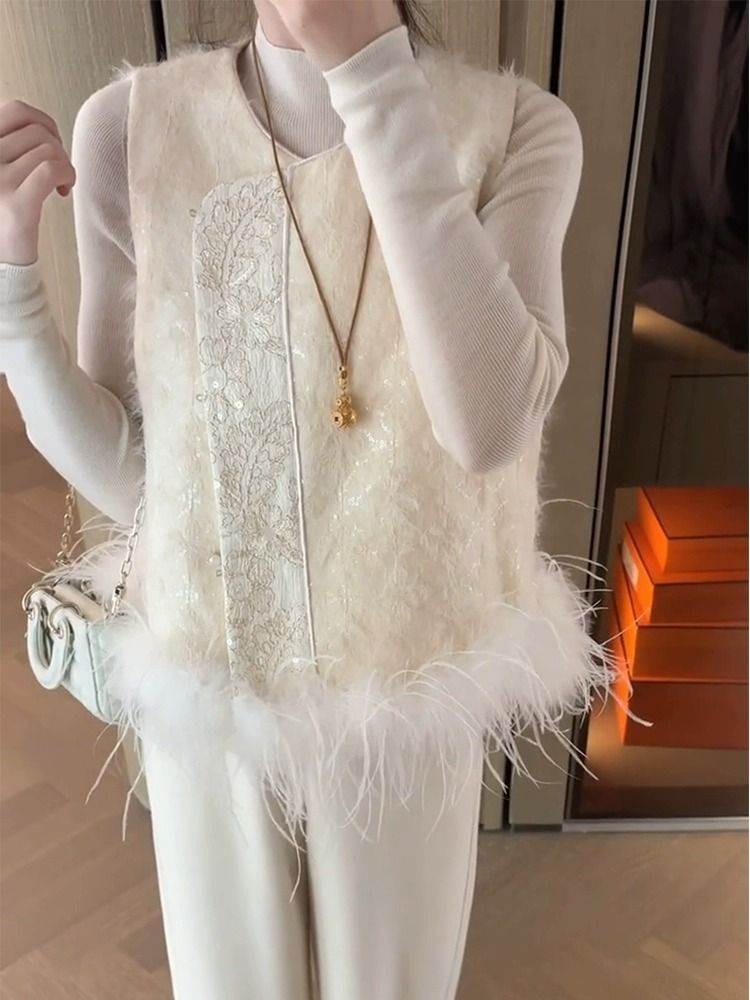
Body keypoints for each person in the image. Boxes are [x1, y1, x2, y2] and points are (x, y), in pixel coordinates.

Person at [0, 2, 636, 997]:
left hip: (407, 684)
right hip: (209, 672)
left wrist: (368, 70)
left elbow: (489, 425)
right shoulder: (130, 128)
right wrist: (12, 291)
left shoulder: (514, 130)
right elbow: (139, 483)